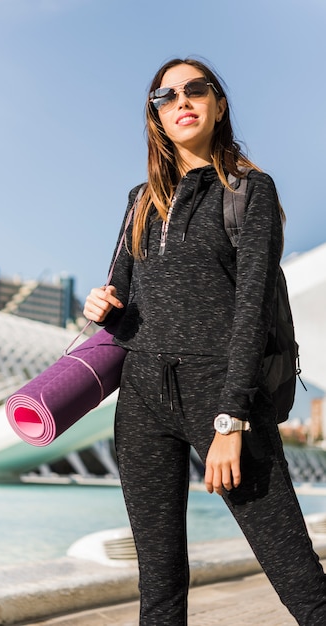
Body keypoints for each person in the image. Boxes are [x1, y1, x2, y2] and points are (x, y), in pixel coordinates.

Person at [83, 57, 326, 625]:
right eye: (165, 96)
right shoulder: (140, 202)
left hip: (221, 397)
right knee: (159, 584)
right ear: (157, 119)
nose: (181, 101)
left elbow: (252, 309)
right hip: (141, 402)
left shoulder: (249, 191)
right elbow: (122, 305)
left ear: (218, 105)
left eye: (196, 90)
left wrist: (230, 419)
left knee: (298, 577)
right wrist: (101, 304)